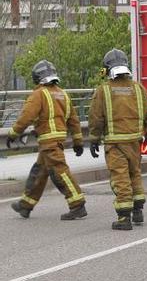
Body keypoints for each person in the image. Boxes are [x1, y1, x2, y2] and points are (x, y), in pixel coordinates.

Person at [7, 60, 87, 220]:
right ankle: (26, 204)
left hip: (49, 141)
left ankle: (77, 204)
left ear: (37, 78)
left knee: (60, 172)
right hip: (55, 140)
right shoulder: (63, 94)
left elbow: (26, 117)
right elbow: (74, 120)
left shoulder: (39, 94)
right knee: (38, 172)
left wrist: (13, 133)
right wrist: (78, 142)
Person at [88, 49, 147, 230]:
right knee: (135, 174)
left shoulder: (103, 91)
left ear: (107, 69)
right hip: (135, 142)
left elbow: (96, 118)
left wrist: (94, 139)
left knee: (120, 177)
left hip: (115, 144)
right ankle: (138, 210)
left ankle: (123, 217)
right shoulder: (138, 88)